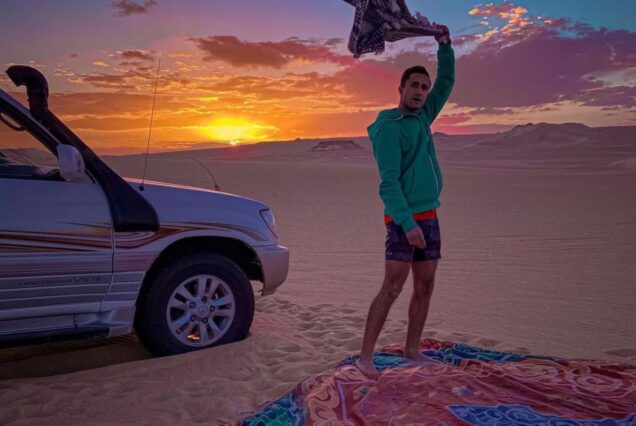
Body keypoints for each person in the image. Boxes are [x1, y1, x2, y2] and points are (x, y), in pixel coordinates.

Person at [356, 24, 454, 379]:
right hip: (402, 220)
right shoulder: (389, 127)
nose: (421, 91)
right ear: (400, 88)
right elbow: (388, 184)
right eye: (414, 85)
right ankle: (365, 356)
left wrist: (444, 45)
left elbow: (446, 84)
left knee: (425, 286)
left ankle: (412, 348)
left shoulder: (424, 117)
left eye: (424, 87)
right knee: (393, 287)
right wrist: (407, 222)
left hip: (430, 215)